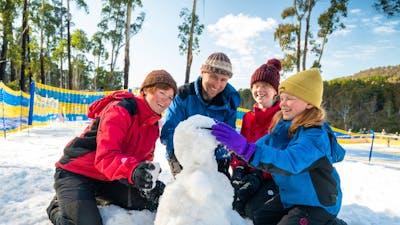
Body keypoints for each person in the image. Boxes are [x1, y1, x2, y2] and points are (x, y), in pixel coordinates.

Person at [211, 69, 347, 225]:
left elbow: (290, 161)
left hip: (317, 203)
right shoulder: (283, 126)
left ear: (309, 103)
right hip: (290, 195)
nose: (282, 104)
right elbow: (260, 146)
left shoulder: (315, 135)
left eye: (289, 99)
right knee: (256, 214)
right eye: (282, 98)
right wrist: (236, 150)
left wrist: (246, 149)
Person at [46, 70, 178, 225]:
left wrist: (144, 174)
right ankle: (57, 206)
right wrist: (133, 170)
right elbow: (105, 157)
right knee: (86, 223)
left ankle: (87, 198)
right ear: (146, 90)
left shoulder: (153, 125)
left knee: (154, 200)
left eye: (170, 97)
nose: (166, 101)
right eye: (162, 93)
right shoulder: (120, 110)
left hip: (108, 177)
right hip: (77, 173)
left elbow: (142, 159)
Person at [160, 52, 240, 178]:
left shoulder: (230, 100)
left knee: (219, 192)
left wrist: (220, 161)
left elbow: (228, 135)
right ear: (202, 72)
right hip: (182, 153)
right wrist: (187, 159)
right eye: (214, 77)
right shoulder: (183, 95)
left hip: (215, 156)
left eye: (223, 80)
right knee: (190, 190)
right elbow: (168, 132)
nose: (217, 84)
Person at [230, 58, 282, 219]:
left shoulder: (282, 117)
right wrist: (239, 168)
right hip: (250, 174)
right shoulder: (248, 117)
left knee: (256, 212)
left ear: (275, 91)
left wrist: (261, 175)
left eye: (265, 86)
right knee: (233, 202)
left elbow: (283, 157)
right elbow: (241, 147)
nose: (260, 90)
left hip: (273, 176)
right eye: (256, 86)